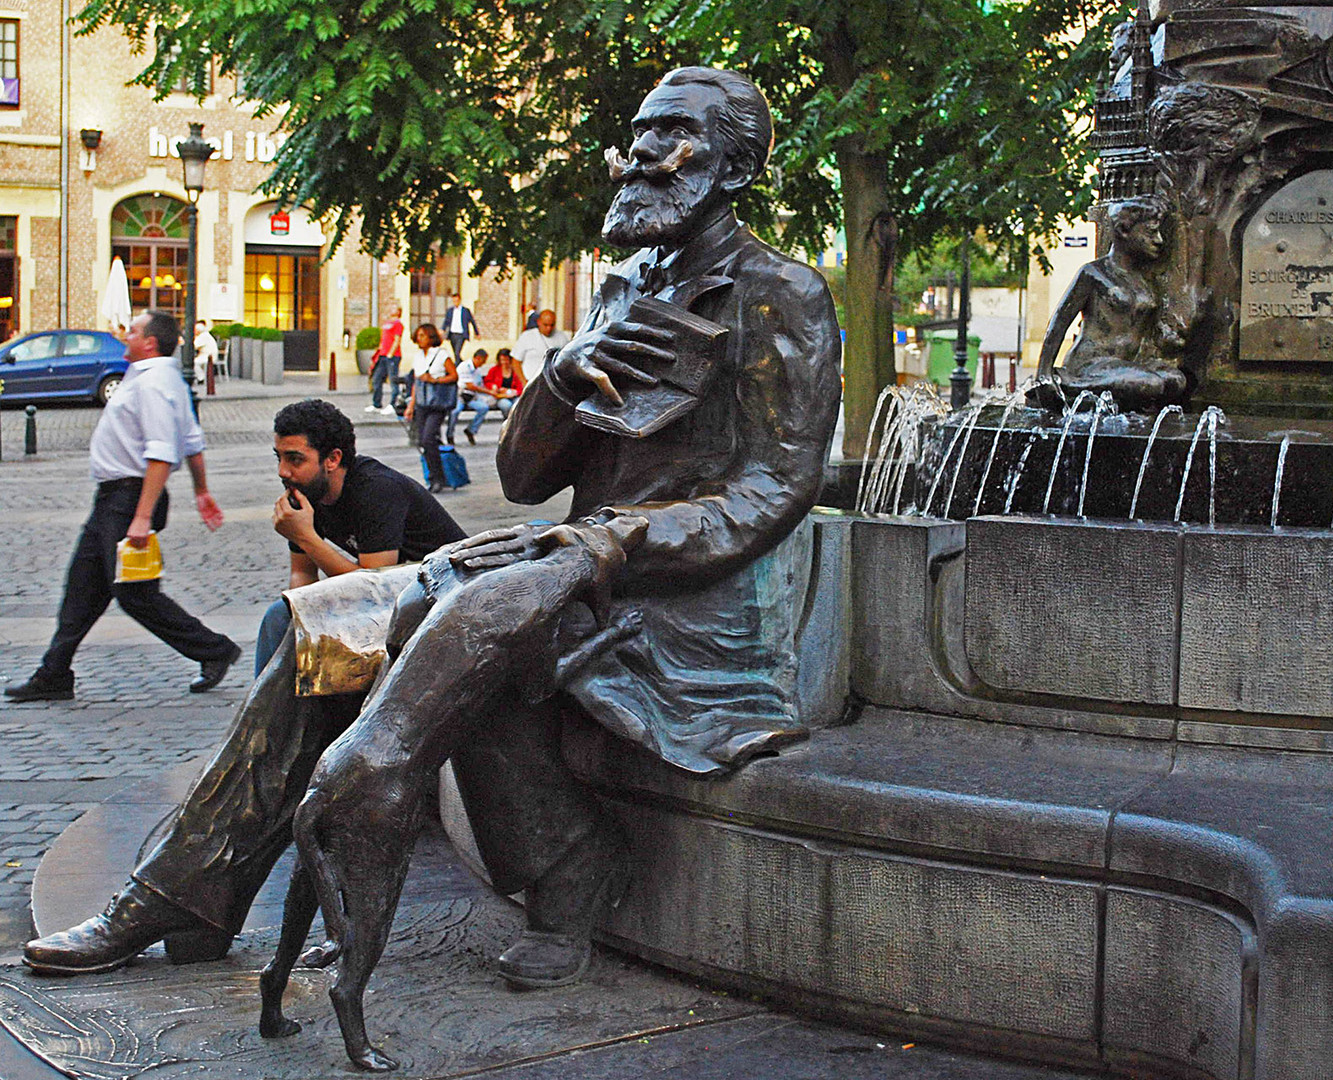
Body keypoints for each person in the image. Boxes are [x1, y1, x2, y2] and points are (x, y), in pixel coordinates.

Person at [22, 66, 841, 994]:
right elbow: (524, 478)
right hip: (557, 566)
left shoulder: (783, 296)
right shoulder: (623, 291)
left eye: (673, 137)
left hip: (682, 594)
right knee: (314, 629)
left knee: (459, 625)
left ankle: (568, 868)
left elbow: (775, 489)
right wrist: (562, 381)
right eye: (640, 131)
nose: (641, 154)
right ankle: (188, 886)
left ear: (732, 170)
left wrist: (612, 544)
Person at [4, 310, 241, 703]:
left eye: (131, 331)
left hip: (128, 499)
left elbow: (163, 453)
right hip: (115, 500)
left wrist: (142, 515)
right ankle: (54, 672)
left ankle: (214, 650)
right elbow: (193, 442)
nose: (123, 336)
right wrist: (201, 491)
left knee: (134, 592)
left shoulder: (153, 384)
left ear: (149, 343)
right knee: (83, 586)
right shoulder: (157, 378)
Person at [256, 398, 466, 673]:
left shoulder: (376, 490)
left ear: (332, 459)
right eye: (279, 457)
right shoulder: (307, 494)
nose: (283, 471)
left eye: (295, 459)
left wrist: (306, 537)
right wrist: (301, 620)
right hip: (400, 596)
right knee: (282, 617)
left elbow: (375, 589)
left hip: (447, 597)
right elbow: (303, 576)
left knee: (279, 616)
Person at [1033, 194, 1187, 410]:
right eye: (1151, 232)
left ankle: (1120, 400)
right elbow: (1060, 321)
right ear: (1124, 231)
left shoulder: (1144, 280)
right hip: (1092, 365)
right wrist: (1044, 372)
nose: (1159, 240)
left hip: (1127, 364)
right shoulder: (1094, 273)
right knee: (1150, 384)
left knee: (1175, 381)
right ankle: (1068, 384)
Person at [403, 323, 459, 493]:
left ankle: (438, 478)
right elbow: (416, 383)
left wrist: (435, 380)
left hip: (437, 403)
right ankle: (438, 474)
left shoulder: (441, 355)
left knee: (428, 439)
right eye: (418, 335)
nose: (419, 339)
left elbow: (454, 375)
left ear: (430, 337)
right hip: (422, 403)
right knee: (424, 441)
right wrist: (410, 406)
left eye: (423, 335)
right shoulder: (418, 356)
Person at [475, 347, 526, 440]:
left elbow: (520, 385)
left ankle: (517, 426)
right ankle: (509, 424)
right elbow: (487, 382)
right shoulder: (494, 370)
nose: (504, 362)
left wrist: (514, 392)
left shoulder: (515, 370)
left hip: (513, 394)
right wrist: (494, 387)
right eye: (502, 360)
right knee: (506, 405)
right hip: (501, 396)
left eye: (506, 360)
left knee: (519, 404)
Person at [365, 306, 405, 414]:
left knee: (393, 380)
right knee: (376, 379)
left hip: (392, 356)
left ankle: (393, 404)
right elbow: (384, 339)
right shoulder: (386, 323)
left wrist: (390, 353)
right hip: (382, 355)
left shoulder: (398, 324)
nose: (392, 309)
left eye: (395, 308)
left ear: (398, 312)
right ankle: (376, 404)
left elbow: (397, 339)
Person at [452, 348, 496, 445]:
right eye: (483, 361)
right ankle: (450, 434)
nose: (483, 364)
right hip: (460, 395)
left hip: (471, 396)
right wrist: (489, 392)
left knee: (483, 408)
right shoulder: (465, 366)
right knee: (456, 411)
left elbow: (480, 385)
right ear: (478, 358)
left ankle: (471, 430)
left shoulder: (477, 371)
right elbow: (470, 385)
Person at [515, 308, 570, 384]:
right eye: (545, 325)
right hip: (530, 381)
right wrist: (523, 382)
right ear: (539, 322)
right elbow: (516, 361)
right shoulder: (526, 336)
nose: (549, 328)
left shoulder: (562, 337)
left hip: (552, 383)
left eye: (552, 325)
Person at [441, 293, 480, 363]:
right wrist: (442, 329)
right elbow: (446, 321)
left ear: (460, 300)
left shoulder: (465, 311)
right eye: (454, 301)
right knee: (456, 354)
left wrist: (477, 333)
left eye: (456, 301)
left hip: (461, 335)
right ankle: (462, 364)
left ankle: (457, 368)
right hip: (452, 334)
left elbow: (472, 321)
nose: (455, 302)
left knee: (457, 353)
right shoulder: (450, 311)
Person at [192, 321, 218, 388]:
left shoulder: (202, 336)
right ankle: (202, 376)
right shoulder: (206, 335)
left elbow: (194, 346)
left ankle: (201, 378)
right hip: (208, 355)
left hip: (208, 357)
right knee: (196, 361)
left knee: (193, 362)